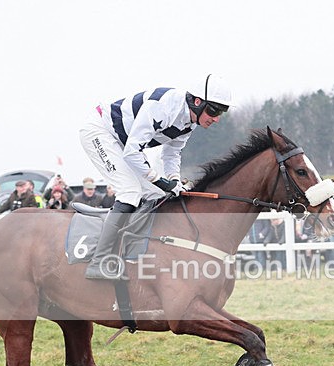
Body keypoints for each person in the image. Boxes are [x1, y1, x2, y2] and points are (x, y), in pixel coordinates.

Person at [79, 73, 232, 279]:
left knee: (155, 195)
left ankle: (132, 256)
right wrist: (160, 180)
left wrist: (174, 180)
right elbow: (133, 152)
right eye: (213, 110)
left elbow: (171, 153)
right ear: (197, 101)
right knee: (130, 192)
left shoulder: (189, 122)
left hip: (122, 143)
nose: (216, 118)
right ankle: (99, 261)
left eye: (221, 112)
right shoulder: (163, 106)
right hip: (100, 132)